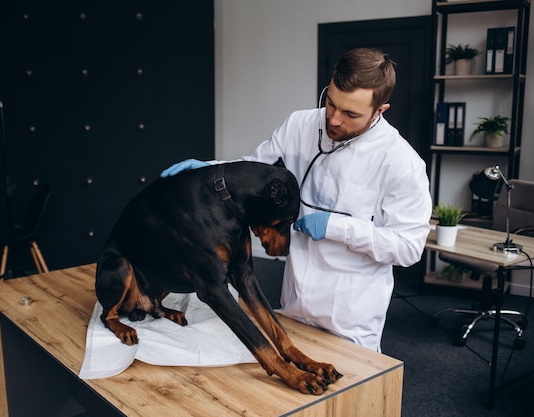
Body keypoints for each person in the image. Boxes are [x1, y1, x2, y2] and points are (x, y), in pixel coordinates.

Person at [161, 48, 432, 352]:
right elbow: (253, 169)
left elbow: (409, 248)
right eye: (331, 102)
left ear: (380, 110)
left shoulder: (401, 162)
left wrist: (338, 227)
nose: (334, 119)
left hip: (350, 319)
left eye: (351, 114)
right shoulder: (300, 125)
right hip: (292, 302)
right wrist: (209, 169)